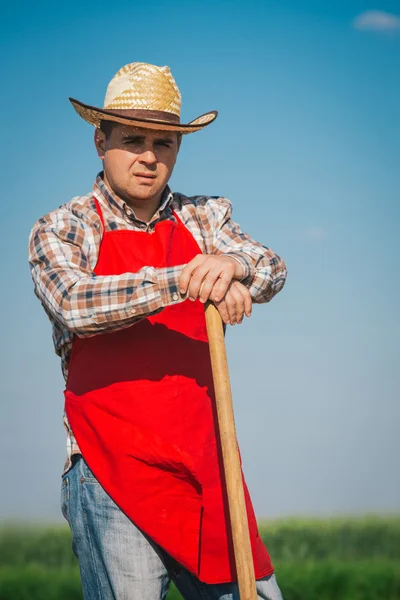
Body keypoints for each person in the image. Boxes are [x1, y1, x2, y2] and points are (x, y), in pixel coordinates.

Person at [29, 62, 287, 600]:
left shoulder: (205, 218)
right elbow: (74, 303)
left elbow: (271, 267)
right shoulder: (66, 225)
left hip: (206, 464)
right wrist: (191, 278)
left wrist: (234, 268)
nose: (150, 157)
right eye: (132, 140)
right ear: (99, 141)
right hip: (110, 471)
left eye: (164, 142)